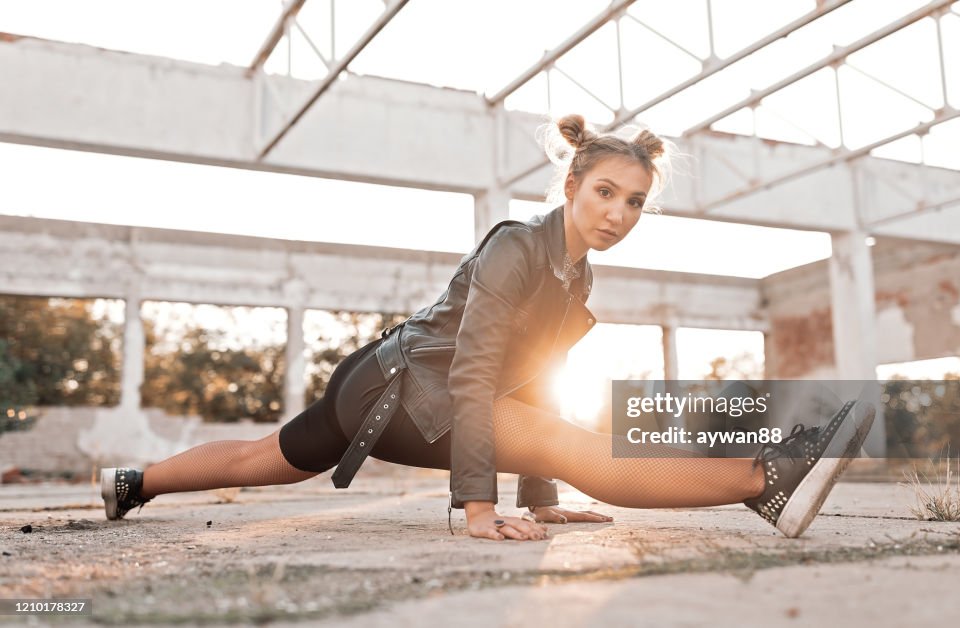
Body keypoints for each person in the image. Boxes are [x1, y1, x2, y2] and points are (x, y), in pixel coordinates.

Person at [101, 114, 874, 541]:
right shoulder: (516, 248)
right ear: (571, 186)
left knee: (265, 456)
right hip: (398, 387)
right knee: (578, 444)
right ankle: (760, 480)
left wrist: (537, 497)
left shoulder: (578, 274)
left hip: (398, 384)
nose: (618, 214)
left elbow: (538, 380)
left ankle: (130, 482)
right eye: (605, 192)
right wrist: (477, 507)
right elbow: (475, 375)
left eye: (635, 201)